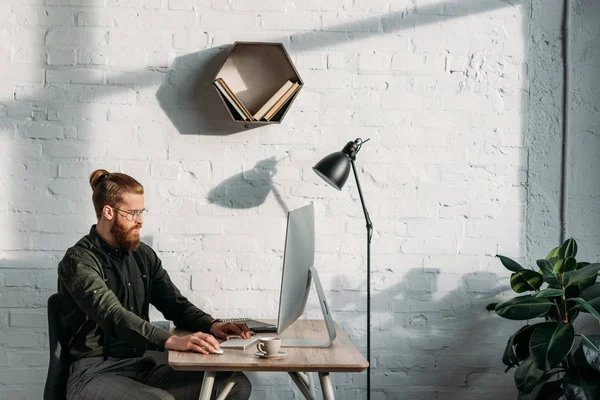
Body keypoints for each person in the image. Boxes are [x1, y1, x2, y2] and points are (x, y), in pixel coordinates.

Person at [57, 169, 252, 400]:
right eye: (133, 213)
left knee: (234, 383)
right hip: (93, 373)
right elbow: (114, 316)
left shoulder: (143, 256)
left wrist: (211, 324)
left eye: (141, 211)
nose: (140, 220)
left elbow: (175, 305)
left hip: (140, 368)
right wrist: (172, 341)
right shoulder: (78, 261)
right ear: (108, 212)